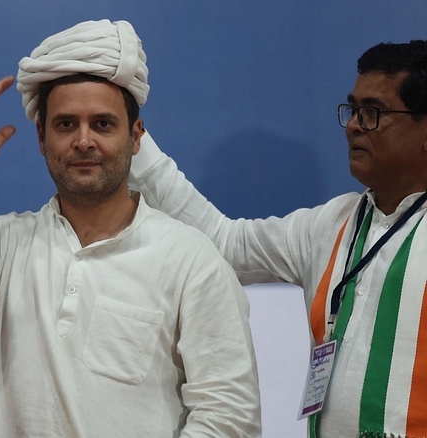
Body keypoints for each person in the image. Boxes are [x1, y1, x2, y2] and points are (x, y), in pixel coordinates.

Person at [0, 20, 261, 437]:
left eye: (103, 124)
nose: (84, 141)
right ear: (41, 138)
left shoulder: (192, 258)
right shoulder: (5, 242)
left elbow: (229, 418)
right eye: (66, 124)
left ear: (136, 137)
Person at [128, 40, 427, 437]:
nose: (354, 125)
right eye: (353, 110)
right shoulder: (330, 224)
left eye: (373, 112)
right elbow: (224, 242)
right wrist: (131, 136)